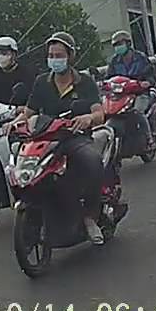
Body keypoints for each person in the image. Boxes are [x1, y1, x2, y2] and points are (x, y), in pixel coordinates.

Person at [20, 32, 107, 244]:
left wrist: (88, 118)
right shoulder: (41, 82)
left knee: (93, 161)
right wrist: (14, 123)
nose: (54, 59)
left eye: (59, 55)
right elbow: (29, 112)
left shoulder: (85, 82)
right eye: (51, 55)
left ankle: (90, 216)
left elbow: (100, 113)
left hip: (75, 139)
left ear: (70, 57)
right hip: (46, 140)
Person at [104, 29, 156, 148]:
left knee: (137, 112)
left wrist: (146, 83)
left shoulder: (141, 58)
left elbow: (151, 76)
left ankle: (149, 139)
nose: (118, 47)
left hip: (140, 93)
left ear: (128, 44)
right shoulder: (114, 61)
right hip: (121, 95)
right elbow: (108, 78)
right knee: (107, 111)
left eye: (120, 44)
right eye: (115, 45)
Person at [0, 36, 37, 104]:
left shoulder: (27, 74)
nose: (1, 57)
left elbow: (32, 101)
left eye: (4, 54)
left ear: (14, 55)